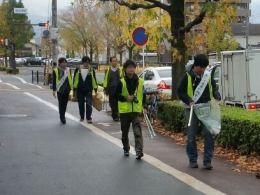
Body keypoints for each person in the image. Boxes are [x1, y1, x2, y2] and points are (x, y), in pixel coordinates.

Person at [177, 54, 221, 170]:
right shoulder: (187, 76)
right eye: (202, 68)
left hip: (206, 109)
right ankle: (192, 160)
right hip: (191, 109)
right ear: (196, 66)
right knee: (191, 136)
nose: (203, 70)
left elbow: (214, 87)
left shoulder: (207, 75)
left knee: (209, 134)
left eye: (205, 68)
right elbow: (180, 92)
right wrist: (189, 100)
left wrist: (216, 95)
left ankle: (207, 161)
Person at [116, 59, 146, 160]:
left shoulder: (140, 81)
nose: (131, 69)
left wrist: (144, 106)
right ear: (125, 69)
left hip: (136, 111)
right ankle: (126, 148)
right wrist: (125, 98)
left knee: (137, 132)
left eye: (133, 67)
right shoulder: (121, 82)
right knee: (125, 132)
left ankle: (139, 151)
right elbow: (116, 95)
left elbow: (143, 95)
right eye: (129, 67)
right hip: (124, 111)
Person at [73, 56, 98, 123]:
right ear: (83, 62)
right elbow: (75, 80)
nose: (87, 64)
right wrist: (74, 90)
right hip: (79, 89)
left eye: (88, 62)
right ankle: (81, 116)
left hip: (88, 89)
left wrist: (95, 89)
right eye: (85, 62)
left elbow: (94, 79)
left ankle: (88, 118)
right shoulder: (78, 69)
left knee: (89, 104)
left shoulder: (91, 70)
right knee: (81, 104)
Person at [52, 58, 73, 124]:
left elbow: (70, 78)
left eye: (65, 62)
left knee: (65, 104)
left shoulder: (68, 70)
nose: (64, 64)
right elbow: (54, 81)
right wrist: (54, 90)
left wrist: (71, 88)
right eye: (63, 62)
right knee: (61, 104)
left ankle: (63, 114)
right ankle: (62, 117)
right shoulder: (55, 70)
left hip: (67, 89)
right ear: (60, 63)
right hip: (60, 89)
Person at [103, 56, 123, 121]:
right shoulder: (108, 70)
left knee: (117, 103)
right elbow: (106, 79)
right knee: (112, 103)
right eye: (113, 61)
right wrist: (105, 88)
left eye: (116, 61)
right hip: (111, 89)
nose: (115, 62)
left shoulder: (120, 70)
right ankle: (114, 114)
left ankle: (116, 116)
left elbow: (122, 79)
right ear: (111, 62)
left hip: (118, 89)